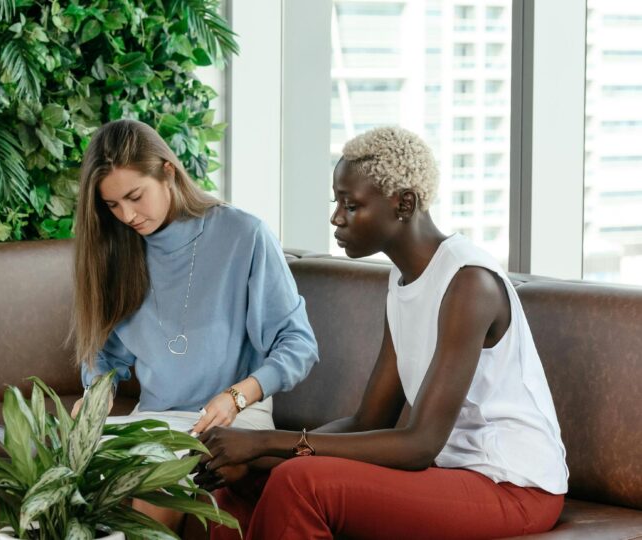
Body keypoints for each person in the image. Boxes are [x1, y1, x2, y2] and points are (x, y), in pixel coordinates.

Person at [195, 126, 568, 540]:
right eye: (336, 202)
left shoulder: (468, 282)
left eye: (351, 205)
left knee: (299, 483)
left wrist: (266, 442)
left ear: (403, 203)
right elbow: (369, 420)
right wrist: (256, 457)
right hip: (451, 473)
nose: (336, 217)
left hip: (512, 486)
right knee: (239, 485)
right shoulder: (403, 281)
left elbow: (419, 443)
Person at [71, 119, 319, 529]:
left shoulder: (243, 233)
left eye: (135, 196)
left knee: (151, 480)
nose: (127, 215)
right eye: (112, 206)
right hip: (155, 422)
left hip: (234, 420)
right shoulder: (118, 249)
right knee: (55, 470)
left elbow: (298, 343)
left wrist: (237, 397)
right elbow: (107, 357)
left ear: (167, 171)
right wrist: (94, 394)